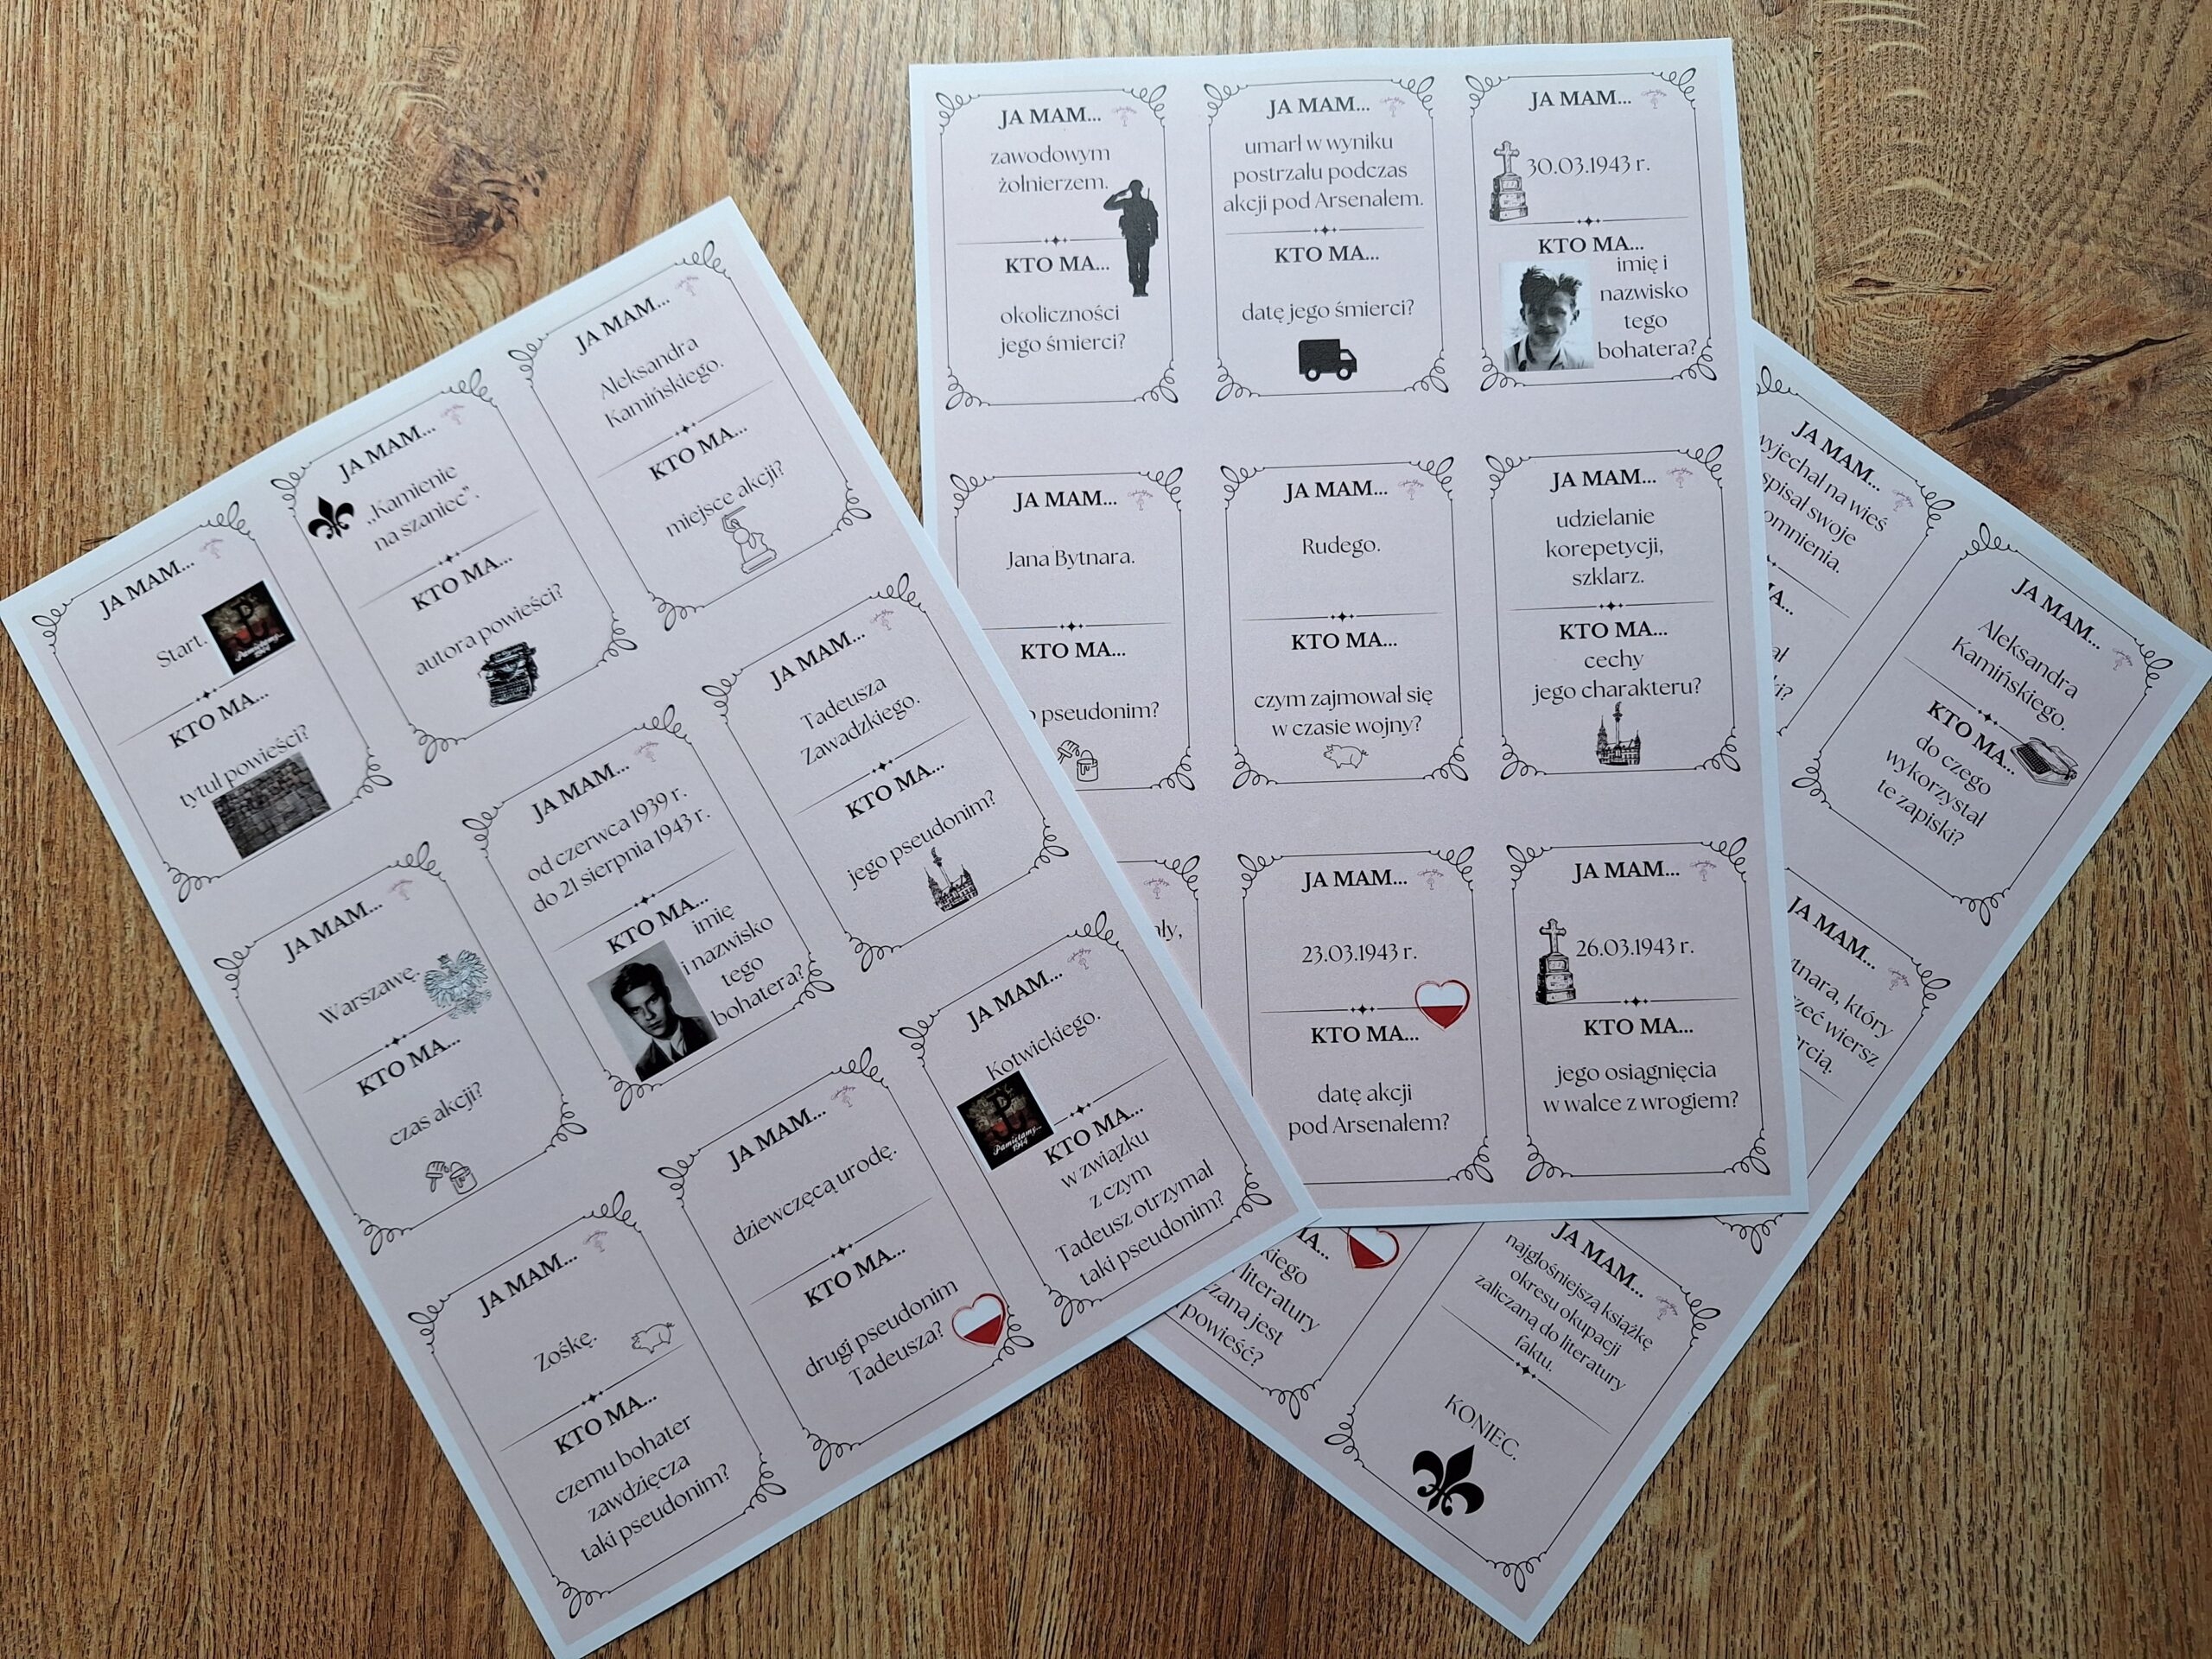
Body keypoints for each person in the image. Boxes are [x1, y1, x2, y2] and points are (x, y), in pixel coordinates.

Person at [610, 958, 715, 1079]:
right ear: (630, 1016)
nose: (649, 1016)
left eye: (653, 1000)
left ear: (667, 995)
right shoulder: (643, 1069)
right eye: (636, 1010)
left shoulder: (709, 1028)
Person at [1506, 267, 1589, 371]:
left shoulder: (1583, 364)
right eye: (1536, 313)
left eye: (1556, 313)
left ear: (1574, 316)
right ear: (1523, 316)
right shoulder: (1502, 362)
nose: (1546, 322)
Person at [1103, 179, 1159, 297]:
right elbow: (1107, 206)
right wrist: (1117, 195)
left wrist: (1154, 236)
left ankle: (1142, 287)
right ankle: (1136, 287)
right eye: (1133, 188)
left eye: (1137, 188)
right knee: (1133, 262)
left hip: (1143, 236)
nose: (1135, 190)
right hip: (1132, 236)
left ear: (1140, 189)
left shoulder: (1147, 204)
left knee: (1144, 262)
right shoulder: (1126, 202)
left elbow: (1153, 220)